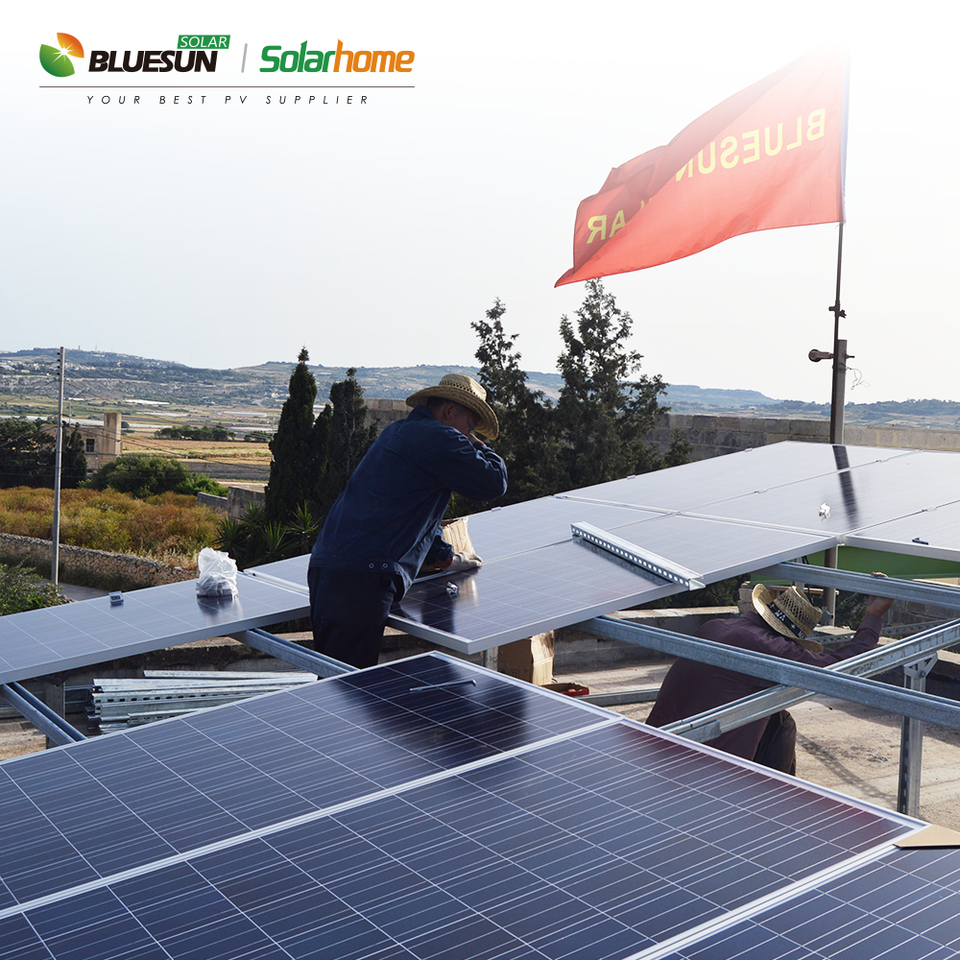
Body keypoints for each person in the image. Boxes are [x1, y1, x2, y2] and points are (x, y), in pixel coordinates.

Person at [308, 374, 508, 668]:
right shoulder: (439, 437)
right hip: (363, 577)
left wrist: (445, 557)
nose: (469, 433)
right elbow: (494, 481)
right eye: (470, 425)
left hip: (331, 568)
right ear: (449, 411)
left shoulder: (398, 433)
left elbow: (412, 510)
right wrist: (476, 443)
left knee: (334, 677)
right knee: (348, 687)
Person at [645, 582, 894, 774]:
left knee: (779, 719)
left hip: (655, 743)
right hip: (700, 764)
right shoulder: (768, 647)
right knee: (782, 725)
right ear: (789, 637)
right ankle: (774, 799)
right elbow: (835, 671)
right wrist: (874, 617)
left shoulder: (716, 625)